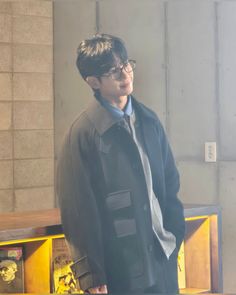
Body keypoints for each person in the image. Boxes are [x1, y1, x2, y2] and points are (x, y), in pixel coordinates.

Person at [57, 34, 185, 294]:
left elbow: (169, 186)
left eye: (126, 64)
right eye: (113, 71)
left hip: (162, 258)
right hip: (119, 269)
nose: (124, 74)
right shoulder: (82, 133)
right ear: (93, 81)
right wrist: (91, 275)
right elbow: (78, 211)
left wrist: (174, 235)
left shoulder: (149, 121)